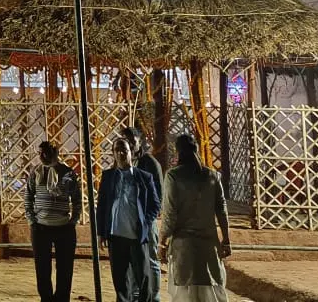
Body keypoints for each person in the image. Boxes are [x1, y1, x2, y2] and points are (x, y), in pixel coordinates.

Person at [159, 134, 232, 302]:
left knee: (185, 295)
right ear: (197, 150)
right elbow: (222, 210)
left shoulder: (173, 176)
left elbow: (170, 214)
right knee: (211, 293)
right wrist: (226, 239)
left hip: (184, 249)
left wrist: (162, 242)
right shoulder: (212, 176)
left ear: (178, 152)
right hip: (209, 248)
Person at [97, 138, 161, 302]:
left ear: (131, 153)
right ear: (113, 154)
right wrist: (101, 233)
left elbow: (155, 204)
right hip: (116, 235)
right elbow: (102, 206)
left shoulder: (143, 177)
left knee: (144, 278)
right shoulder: (109, 177)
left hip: (137, 236)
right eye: (117, 150)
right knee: (120, 280)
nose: (120, 153)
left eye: (124, 150)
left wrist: (145, 222)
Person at [25, 141, 82, 302]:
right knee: (42, 269)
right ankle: (46, 299)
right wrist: (32, 220)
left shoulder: (67, 173)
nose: (42, 156)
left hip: (64, 228)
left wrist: (73, 220)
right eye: (40, 153)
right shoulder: (36, 173)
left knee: (64, 269)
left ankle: (62, 299)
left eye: (45, 153)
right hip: (41, 228)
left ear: (54, 153)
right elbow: (28, 197)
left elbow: (77, 199)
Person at [123, 126, 165, 302]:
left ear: (140, 140)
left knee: (151, 259)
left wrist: (147, 221)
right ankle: (134, 296)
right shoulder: (122, 163)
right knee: (131, 260)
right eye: (127, 141)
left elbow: (159, 198)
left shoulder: (150, 163)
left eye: (133, 140)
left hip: (146, 221)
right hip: (127, 222)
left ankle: (153, 296)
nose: (131, 144)